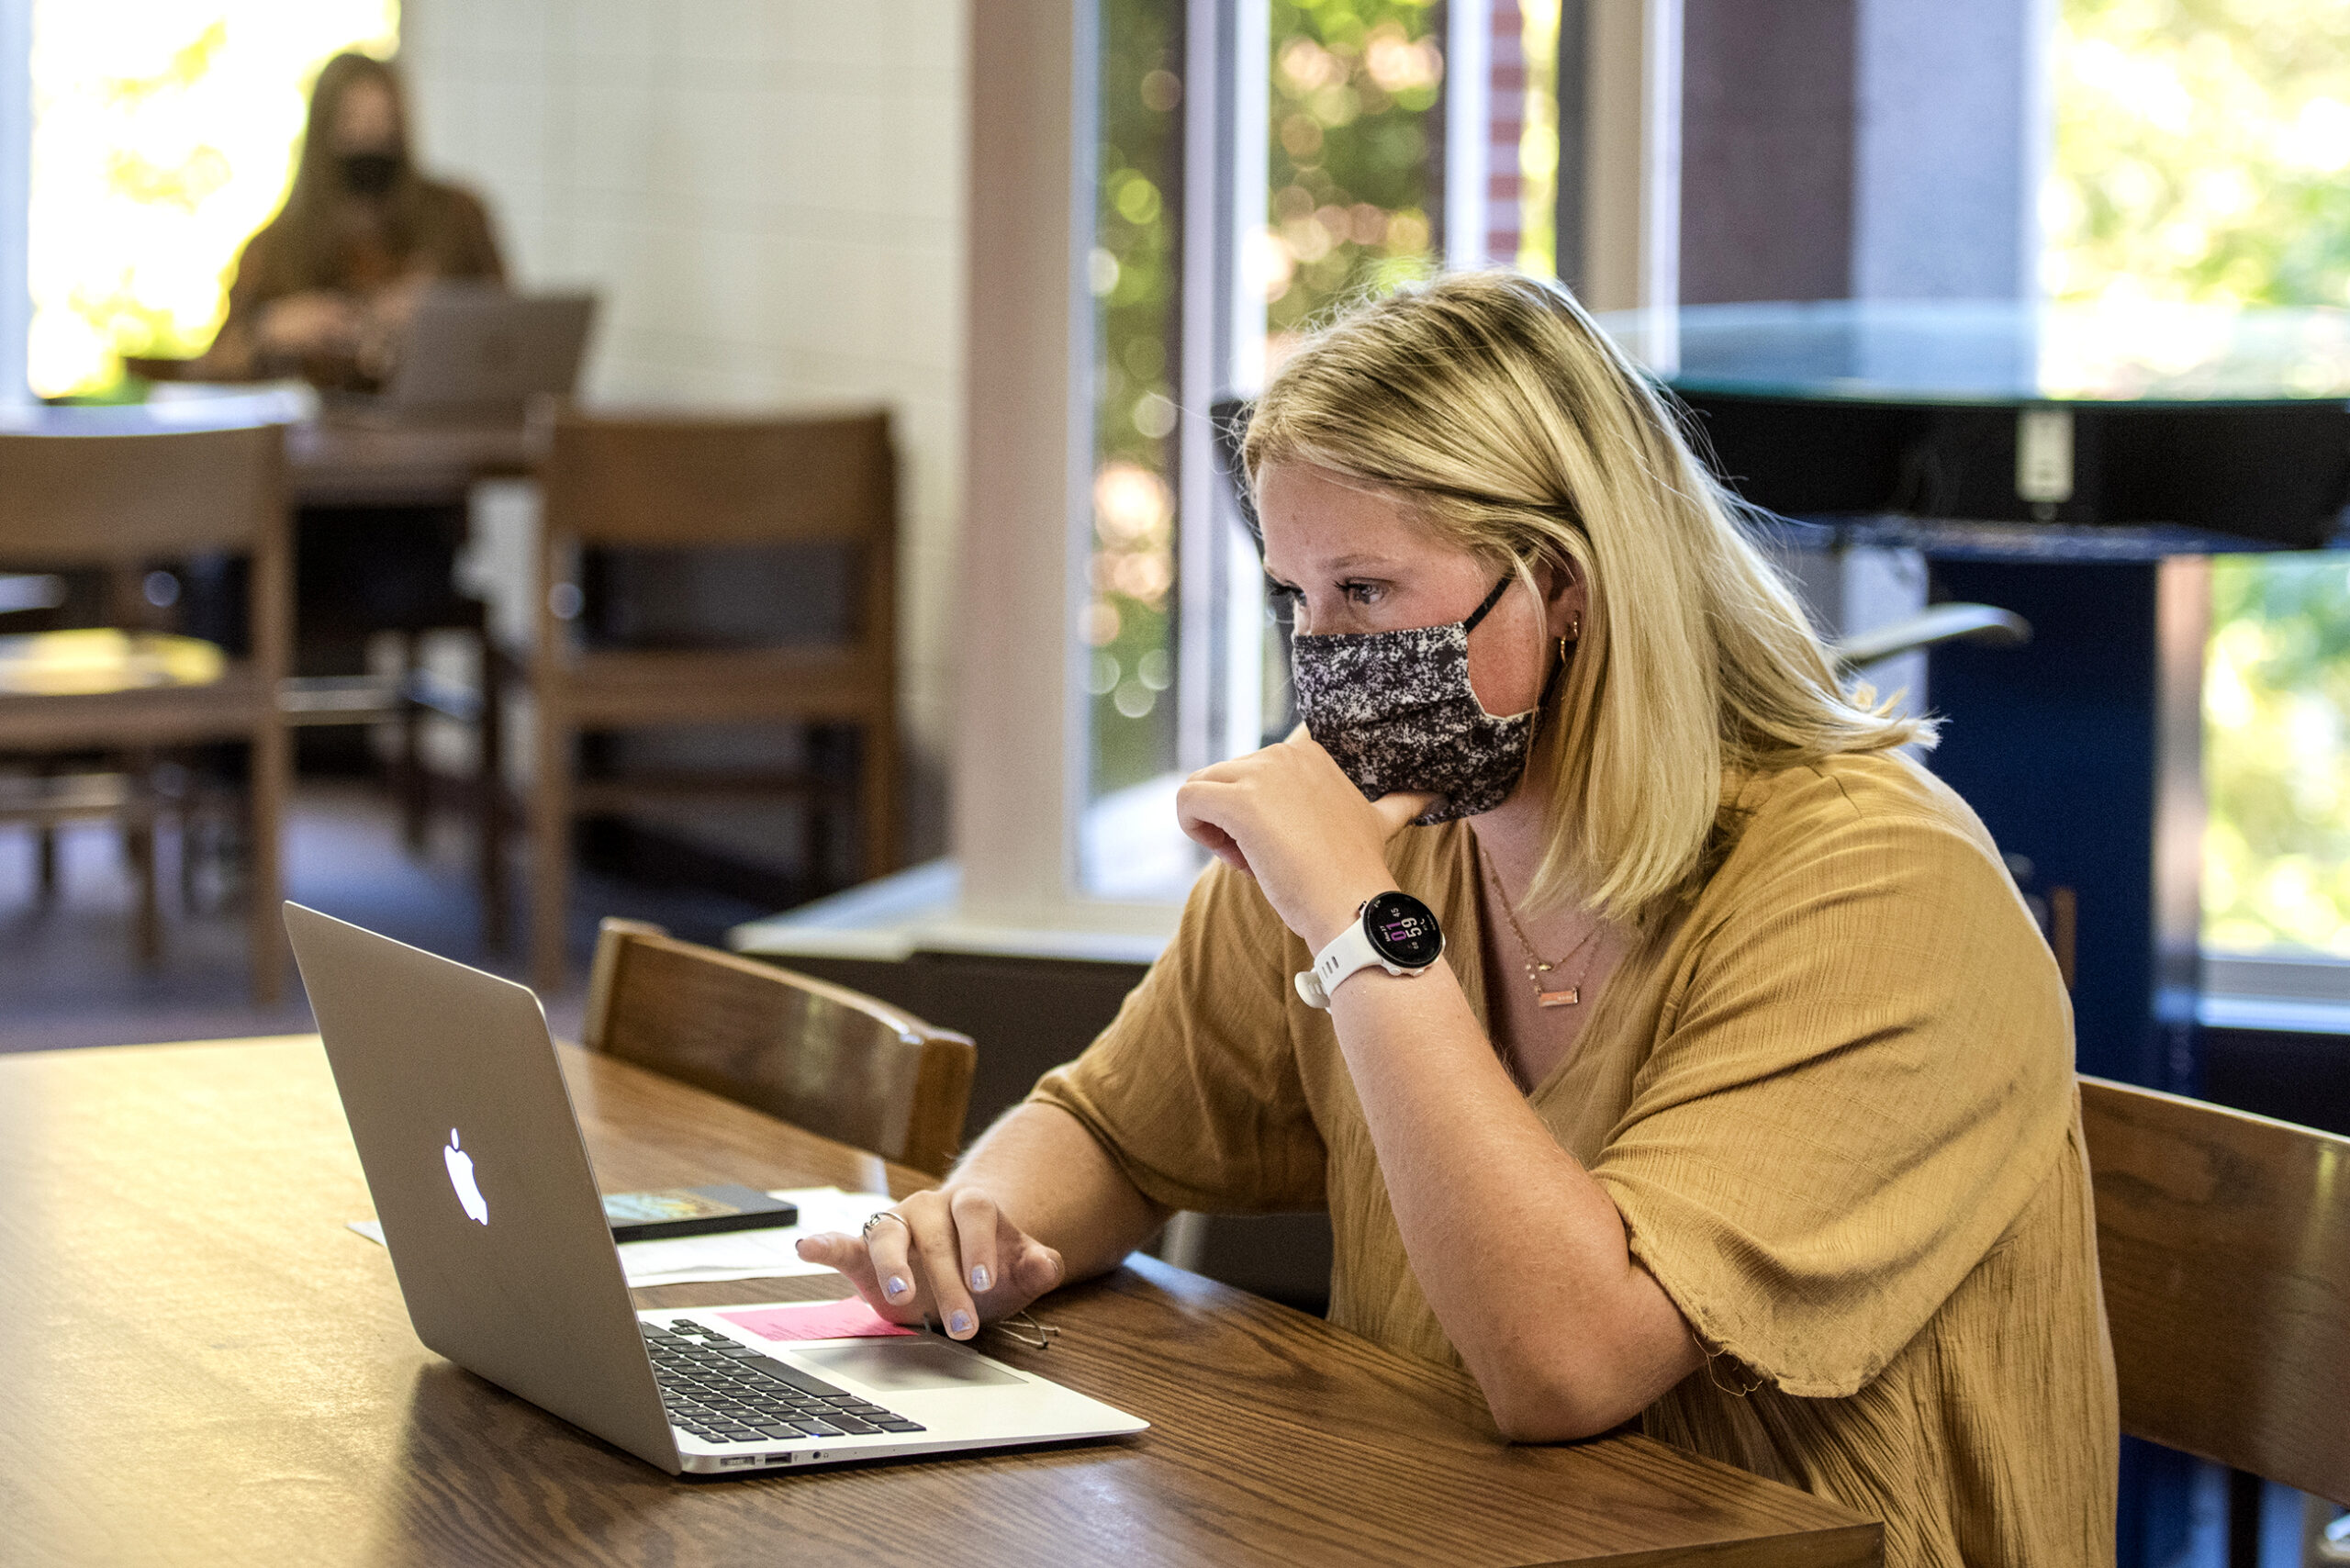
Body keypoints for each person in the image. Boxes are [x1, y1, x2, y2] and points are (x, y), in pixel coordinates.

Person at [799, 272, 2118, 1564]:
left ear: (1564, 587)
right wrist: (979, 1233)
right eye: (1293, 600)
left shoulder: (1881, 887)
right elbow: (1114, 1130)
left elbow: (1567, 1364)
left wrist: (1355, 922)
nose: (1320, 658)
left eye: (1365, 593)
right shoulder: (1389, 833)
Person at [200, 51, 502, 389]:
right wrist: (272, 329)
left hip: (438, 429)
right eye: (352, 122)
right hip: (318, 435)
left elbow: (513, 333)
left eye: (383, 122)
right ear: (323, 131)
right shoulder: (277, 248)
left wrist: (440, 314)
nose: (369, 138)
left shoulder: (454, 218)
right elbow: (213, 369)